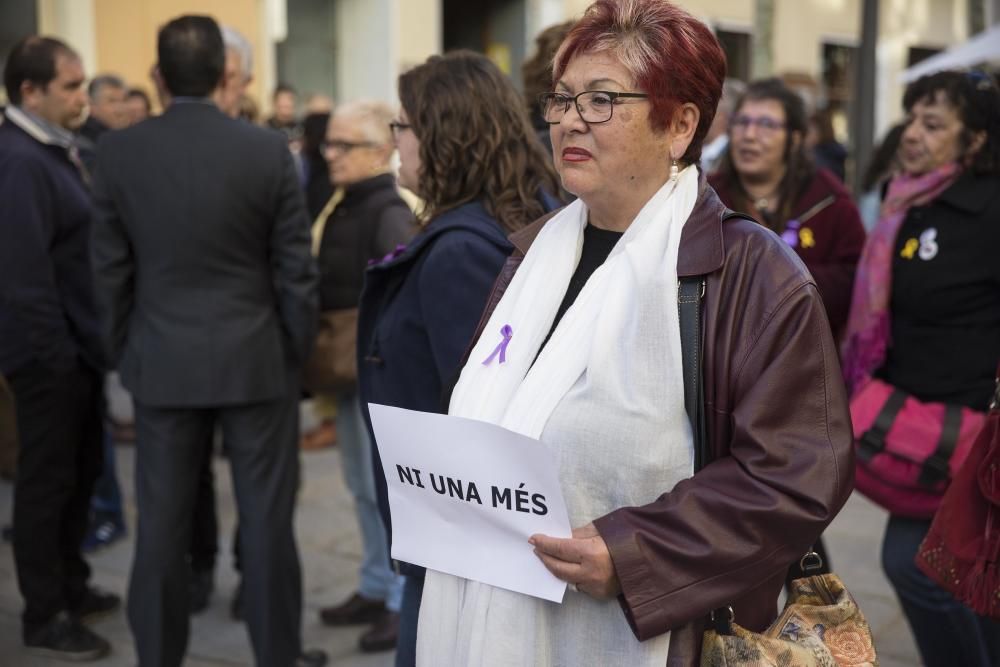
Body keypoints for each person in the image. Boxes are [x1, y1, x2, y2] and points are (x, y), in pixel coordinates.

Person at [414, 2, 854, 665]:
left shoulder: (753, 273)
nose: (568, 121)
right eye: (562, 100)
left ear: (679, 124)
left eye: (601, 100)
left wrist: (635, 551)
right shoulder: (533, 255)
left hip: (652, 635)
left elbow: (796, 474)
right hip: (489, 615)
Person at [89, 15, 324, 667]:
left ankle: (158, 656)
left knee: (160, 531)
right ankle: (277, 654)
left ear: (158, 78)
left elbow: (108, 271)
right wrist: (291, 352)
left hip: (162, 359)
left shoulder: (118, 152)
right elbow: (295, 269)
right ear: (226, 73)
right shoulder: (265, 150)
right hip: (257, 360)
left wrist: (126, 352)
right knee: (269, 527)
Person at [357, 50, 561, 666]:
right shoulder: (511, 218)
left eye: (403, 125)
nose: (395, 140)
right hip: (459, 531)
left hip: (459, 537)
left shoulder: (461, 252)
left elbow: (484, 412)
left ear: (443, 133)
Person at [842, 69, 1000, 667]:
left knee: (917, 565)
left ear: (977, 139)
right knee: (968, 578)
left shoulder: (988, 211)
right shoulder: (907, 199)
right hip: (923, 417)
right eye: (912, 118)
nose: (912, 133)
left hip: (974, 429)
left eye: (933, 124)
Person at [0, 35, 119, 661]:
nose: (82, 95)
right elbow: (23, 277)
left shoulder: (56, 149)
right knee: (47, 487)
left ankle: (71, 585)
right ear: (31, 92)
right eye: (71, 86)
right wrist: (56, 359)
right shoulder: (18, 159)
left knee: (78, 478)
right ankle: (44, 613)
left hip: (77, 352)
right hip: (51, 359)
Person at [313, 100, 415, 653]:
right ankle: (377, 584)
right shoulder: (351, 201)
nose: (330, 154)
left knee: (382, 490)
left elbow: (397, 293)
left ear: (381, 151)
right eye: (328, 143)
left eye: (344, 145)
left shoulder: (385, 209)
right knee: (358, 484)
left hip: (372, 371)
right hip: (351, 369)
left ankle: (400, 600)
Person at [710, 77, 866, 342]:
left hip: (803, 354)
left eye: (766, 125)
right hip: (719, 354)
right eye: (742, 122)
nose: (749, 135)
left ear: (794, 139)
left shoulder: (828, 200)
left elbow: (856, 278)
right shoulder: (706, 196)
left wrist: (778, 280)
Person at [77, 73, 129, 172]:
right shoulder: (83, 145)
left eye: (124, 101)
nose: (120, 109)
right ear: (92, 106)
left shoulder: (127, 138)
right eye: (112, 101)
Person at [700, 77, 745, 174]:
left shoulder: (733, 160)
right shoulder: (699, 153)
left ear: (721, 116)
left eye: (703, 110)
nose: (697, 118)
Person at [806, 108, 848, 181]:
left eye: (809, 131)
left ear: (820, 132)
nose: (806, 136)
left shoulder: (818, 157)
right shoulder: (835, 153)